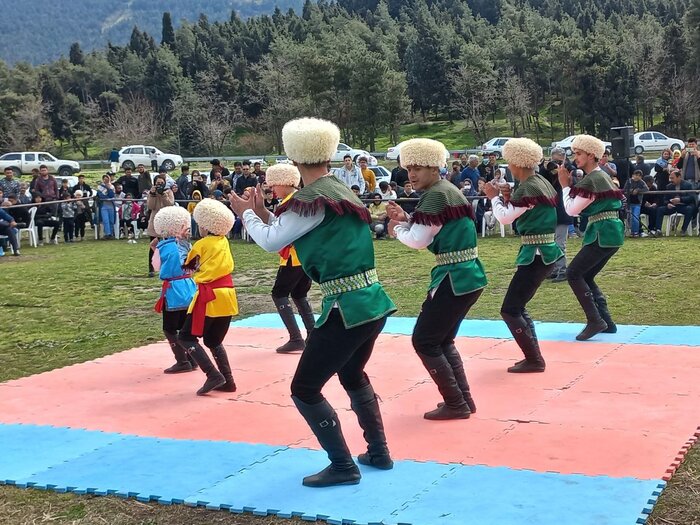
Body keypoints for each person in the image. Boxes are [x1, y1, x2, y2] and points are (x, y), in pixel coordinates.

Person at [230, 117, 396, 487]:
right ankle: (379, 452)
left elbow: (274, 241)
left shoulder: (309, 199)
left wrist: (245, 215)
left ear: (293, 155)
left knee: (304, 388)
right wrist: (263, 215)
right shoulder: (338, 189)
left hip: (346, 309)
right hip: (371, 301)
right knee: (352, 374)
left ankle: (342, 465)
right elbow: (297, 228)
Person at [386, 138, 487, 419]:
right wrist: (407, 219)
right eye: (409, 168)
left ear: (434, 167)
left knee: (425, 341)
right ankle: (462, 400)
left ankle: (456, 402)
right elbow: (434, 230)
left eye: (418, 167)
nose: (412, 174)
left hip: (454, 278)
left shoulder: (435, 196)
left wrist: (396, 229)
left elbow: (419, 240)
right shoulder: (446, 191)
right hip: (467, 275)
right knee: (442, 341)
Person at [483, 138, 563, 373]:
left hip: (536, 253)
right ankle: (533, 356)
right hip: (543, 251)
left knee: (511, 309)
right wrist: (508, 198)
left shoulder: (528, 186)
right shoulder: (539, 182)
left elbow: (505, 218)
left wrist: (493, 197)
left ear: (516, 162)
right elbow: (524, 211)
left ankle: (534, 359)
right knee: (517, 307)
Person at [558, 135, 624, 341]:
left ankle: (595, 320)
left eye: (578, 153)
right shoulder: (601, 176)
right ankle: (605, 321)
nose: (575, 157)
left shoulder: (593, 179)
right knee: (585, 275)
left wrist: (564, 186)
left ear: (591, 155)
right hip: (609, 231)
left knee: (574, 273)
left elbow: (572, 209)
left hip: (601, 232)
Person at [177, 198, 238, 395]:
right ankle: (228, 380)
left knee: (186, 337)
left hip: (209, 296)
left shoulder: (201, 244)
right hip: (227, 296)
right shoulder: (224, 241)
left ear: (205, 225)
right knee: (213, 340)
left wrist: (181, 243)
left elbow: (188, 269)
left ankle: (212, 374)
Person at [262, 164, 315, 353]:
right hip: (304, 256)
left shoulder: (291, 203)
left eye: (274, 185)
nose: (272, 190)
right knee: (299, 294)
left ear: (283, 183)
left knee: (279, 293)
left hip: (293, 257)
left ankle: (296, 337)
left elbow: (283, 231)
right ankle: (312, 333)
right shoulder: (300, 199)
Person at [151, 206, 199, 374]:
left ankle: (182, 360)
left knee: (170, 328)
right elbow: (195, 263)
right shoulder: (187, 244)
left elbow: (156, 267)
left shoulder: (163, 246)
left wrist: (155, 250)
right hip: (190, 287)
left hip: (173, 291)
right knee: (186, 327)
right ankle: (193, 358)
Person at [147, 174, 175, 277]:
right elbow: (150, 206)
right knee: (153, 246)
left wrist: (163, 195)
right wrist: (153, 194)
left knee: (167, 246)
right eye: (158, 183)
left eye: (162, 183)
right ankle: (151, 268)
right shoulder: (151, 192)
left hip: (166, 221)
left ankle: (167, 267)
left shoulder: (169, 192)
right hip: (154, 221)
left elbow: (170, 204)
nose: (160, 185)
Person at [623, 169, 648, 237]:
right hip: (629, 203)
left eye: (639, 176)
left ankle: (635, 232)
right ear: (633, 175)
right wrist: (630, 191)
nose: (637, 177)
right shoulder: (629, 181)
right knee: (630, 217)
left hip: (637, 203)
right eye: (636, 175)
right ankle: (631, 231)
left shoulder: (642, 182)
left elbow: (646, 189)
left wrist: (638, 190)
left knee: (635, 217)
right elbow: (624, 190)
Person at [96, 174, 116, 239]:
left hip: (111, 206)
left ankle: (112, 233)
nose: (106, 180)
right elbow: (101, 195)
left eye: (107, 179)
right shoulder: (100, 187)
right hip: (104, 206)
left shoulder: (112, 186)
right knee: (105, 220)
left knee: (111, 220)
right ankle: (107, 233)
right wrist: (107, 197)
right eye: (105, 179)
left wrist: (108, 187)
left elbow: (112, 195)